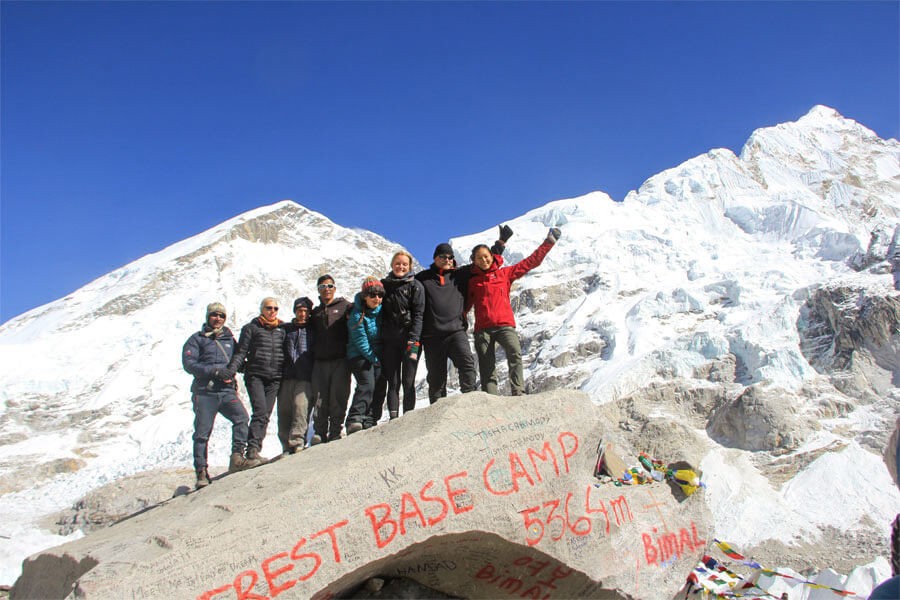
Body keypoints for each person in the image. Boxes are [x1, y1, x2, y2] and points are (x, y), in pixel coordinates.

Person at [415, 225, 511, 404]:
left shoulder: (460, 275)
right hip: (432, 336)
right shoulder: (422, 278)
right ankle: (436, 414)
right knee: (436, 378)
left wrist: (501, 243)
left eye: (450, 257)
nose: (447, 259)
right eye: (443, 256)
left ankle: (470, 404)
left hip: (456, 331)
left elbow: (483, 262)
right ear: (435, 258)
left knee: (467, 365)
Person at [466, 227, 561, 396]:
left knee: (514, 353)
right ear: (474, 260)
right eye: (479, 258)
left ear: (492, 256)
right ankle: (491, 399)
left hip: (504, 325)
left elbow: (531, 262)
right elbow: (466, 305)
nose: (484, 260)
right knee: (486, 366)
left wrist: (549, 242)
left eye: (486, 257)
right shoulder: (473, 282)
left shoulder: (505, 274)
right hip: (483, 330)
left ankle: (518, 391)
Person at [181, 302, 260, 489]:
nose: (218, 318)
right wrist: (215, 371)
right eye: (214, 315)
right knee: (202, 432)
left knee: (241, 418)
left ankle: (237, 457)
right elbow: (189, 363)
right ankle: (201, 472)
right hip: (205, 392)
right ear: (208, 317)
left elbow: (237, 360)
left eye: (221, 316)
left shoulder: (229, 339)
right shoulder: (196, 339)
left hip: (226, 391)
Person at [225, 297, 285, 461]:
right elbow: (241, 352)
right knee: (259, 411)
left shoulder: (282, 329)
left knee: (265, 414)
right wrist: (232, 370)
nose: (272, 311)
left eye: (275, 308)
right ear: (262, 309)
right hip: (256, 376)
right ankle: (251, 450)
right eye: (268, 308)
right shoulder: (251, 328)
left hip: (275, 378)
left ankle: (255, 448)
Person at [371, 250, 425, 421]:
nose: (401, 266)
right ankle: (394, 419)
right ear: (392, 265)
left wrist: (414, 338)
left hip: (411, 340)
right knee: (392, 382)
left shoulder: (416, 286)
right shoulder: (383, 286)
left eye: (404, 264)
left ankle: (408, 419)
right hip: (390, 341)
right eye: (398, 263)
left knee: (408, 381)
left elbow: (419, 314)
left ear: (410, 266)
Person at [310, 274, 353, 443]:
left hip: (341, 360)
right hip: (319, 361)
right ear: (318, 291)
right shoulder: (315, 312)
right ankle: (319, 433)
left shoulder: (345, 306)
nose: (326, 289)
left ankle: (335, 431)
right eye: (322, 287)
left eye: (329, 286)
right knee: (319, 398)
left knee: (339, 396)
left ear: (334, 288)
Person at [345, 277, 384, 433]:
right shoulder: (356, 314)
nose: (377, 299)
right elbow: (361, 342)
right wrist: (374, 359)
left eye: (380, 295)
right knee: (367, 383)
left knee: (380, 385)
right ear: (364, 296)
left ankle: (370, 419)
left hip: (376, 355)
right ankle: (354, 418)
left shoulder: (381, 312)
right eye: (372, 295)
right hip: (359, 355)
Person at [277, 296, 315, 455]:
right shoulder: (286, 329)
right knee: (284, 410)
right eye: (300, 310)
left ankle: (298, 441)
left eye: (306, 311)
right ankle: (286, 446)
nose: (303, 314)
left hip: (305, 375)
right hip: (287, 375)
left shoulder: (313, 329)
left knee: (301, 408)